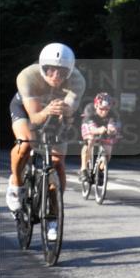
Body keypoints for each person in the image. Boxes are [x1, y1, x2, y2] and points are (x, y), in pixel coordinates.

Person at [7, 43, 86, 242]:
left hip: (54, 112)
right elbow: (34, 117)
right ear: (42, 67)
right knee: (26, 142)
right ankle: (16, 186)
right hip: (28, 110)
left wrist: (66, 112)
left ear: (70, 71)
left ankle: (53, 215)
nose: (55, 76)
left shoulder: (77, 80)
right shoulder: (27, 76)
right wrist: (47, 110)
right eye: (50, 70)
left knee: (58, 163)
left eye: (61, 72)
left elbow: (68, 119)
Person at [79, 92, 120, 183]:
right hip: (90, 125)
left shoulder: (113, 113)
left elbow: (112, 125)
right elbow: (92, 128)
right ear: (96, 106)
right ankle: (83, 169)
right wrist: (99, 130)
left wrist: (112, 130)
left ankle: (100, 170)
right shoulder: (89, 109)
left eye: (107, 109)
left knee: (108, 150)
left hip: (104, 126)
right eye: (101, 109)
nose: (104, 111)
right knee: (90, 140)